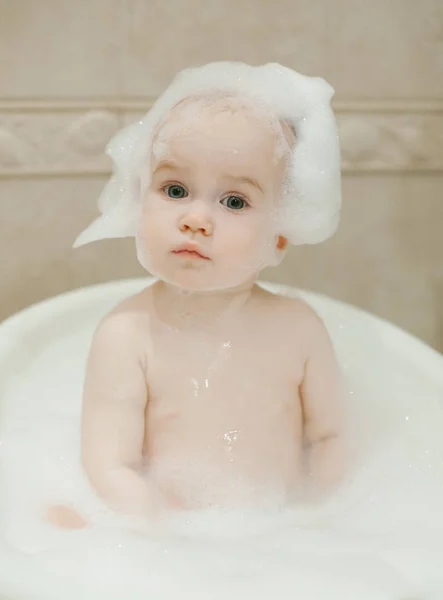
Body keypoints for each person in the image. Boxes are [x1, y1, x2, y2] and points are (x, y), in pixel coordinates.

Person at [48, 62, 345, 529]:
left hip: (283, 537)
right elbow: (110, 463)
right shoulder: (126, 335)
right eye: (175, 189)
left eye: (234, 201)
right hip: (174, 538)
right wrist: (158, 530)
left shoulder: (300, 328)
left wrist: (324, 517)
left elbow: (331, 437)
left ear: (280, 238)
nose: (196, 218)